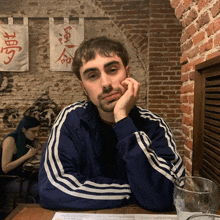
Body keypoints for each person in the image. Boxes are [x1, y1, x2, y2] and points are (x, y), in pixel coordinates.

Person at [39, 36, 185, 211]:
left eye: (113, 70)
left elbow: (167, 195)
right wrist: (137, 192)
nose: (106, 84)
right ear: (83, 87)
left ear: (128, 74)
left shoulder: (154, 125)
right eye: (92, 76)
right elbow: (53, 188)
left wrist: (122, 118)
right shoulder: (71, 119)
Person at [0, 116, 42, 211]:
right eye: (33, 131)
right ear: (24, 129)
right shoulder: (10, 140)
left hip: (24, 177)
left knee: (45, 183)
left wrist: (38, 150)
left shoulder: (27, 140)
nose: (36, 134)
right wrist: (27, 156)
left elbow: (38, 150)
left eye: (38, 131)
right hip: (10, 180)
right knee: (41, 189)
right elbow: (5, 168)